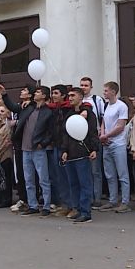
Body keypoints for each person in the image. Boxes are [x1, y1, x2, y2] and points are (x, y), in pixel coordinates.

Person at [0, 83, 54, 217]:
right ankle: (32, 205)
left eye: (38, 92)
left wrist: (43, 143)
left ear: (44, 96)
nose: (35, 94)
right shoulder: (28, 108)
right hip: (25, 149)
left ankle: (46, 206)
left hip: (38, 149)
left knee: (43, 179)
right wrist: (4, 94)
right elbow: (13, 107)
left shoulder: (48, 112)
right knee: (28, 179)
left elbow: (51, 132)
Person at [62, 87, 100, 223]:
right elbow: (65, 134)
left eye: (73, 95)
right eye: (69, 96)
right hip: (70, 154)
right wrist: (64, 150)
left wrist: (94, 148)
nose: (70, 98)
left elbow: (92, 133)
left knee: (85, 184)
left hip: (83, 154)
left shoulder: (89, 114)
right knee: (73, 184)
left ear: (80, 97)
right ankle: (76, 208)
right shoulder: (69, 115)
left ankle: (86, 212)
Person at [99, 81, 131, 213]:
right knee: (110, 174)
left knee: (122, 174)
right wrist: (102, 134)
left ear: (113, 91)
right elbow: (103, 122)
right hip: (107, 143)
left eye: (106, 90)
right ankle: (112, 200)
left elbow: (120, 125)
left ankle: (125, 202)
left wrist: (107, 135)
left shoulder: (121, 106)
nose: (104, 93)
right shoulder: (107, 106)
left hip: (118, 144)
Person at [80, 77, 106, 207]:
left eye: (86, 85)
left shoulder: (97, 100)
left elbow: (103, 117)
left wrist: (101, 133)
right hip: (80, 139)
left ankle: (97, 197)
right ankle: (87, 197)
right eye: (82, 85)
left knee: (96, 170)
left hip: (93, 137)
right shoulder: (78, 102)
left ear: (91, 87)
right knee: (85, 171)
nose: (84, 87)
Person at [47, 84, 72, 215]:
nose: (53, 96)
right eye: (52, 93)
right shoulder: (53, 109)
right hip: (56, 145)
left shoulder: (69, 108)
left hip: (66, 147)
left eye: (56, 93)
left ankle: (72, 205)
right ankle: (65, 204)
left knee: (69, 177)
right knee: (59, 177)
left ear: (63, 95)